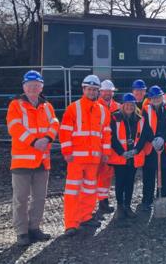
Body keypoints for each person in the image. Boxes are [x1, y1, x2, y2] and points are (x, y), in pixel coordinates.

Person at [6, 70, 59, 246]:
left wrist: (48, 138)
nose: (33, 88)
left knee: (39, 197)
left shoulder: (47, 106)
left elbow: (55, 123)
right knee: (20, 199)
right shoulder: (16, 105)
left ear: (41, 87)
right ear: (24, 87)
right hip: (22, 160)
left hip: (42, 160)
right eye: (30, 85)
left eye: (36, 85)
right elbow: (14, 127)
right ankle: (21, 232)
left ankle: (34, 228)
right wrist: (34, 141)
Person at [59, 75, 111, 236]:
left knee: (90, 190)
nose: (92, 92)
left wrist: (106, 153)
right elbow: (65, 132)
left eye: (95, 90)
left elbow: (106, 133)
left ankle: (86, 217)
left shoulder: (103, 111)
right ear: (84, 89)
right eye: (89, 89)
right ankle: (71, 224)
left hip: (94, 158)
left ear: (98, 92)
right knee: (73, 191)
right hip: (76, 158)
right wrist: (67, 152)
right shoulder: (73, 108)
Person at [109, 93, 152, 220]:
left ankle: (127, 206)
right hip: (120, 156)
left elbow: (144, 135)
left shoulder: (140, 119)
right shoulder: (115, 117)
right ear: (123, 105)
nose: (129, 107)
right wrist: (122, 152)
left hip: (133, 156)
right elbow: (112, 137)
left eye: (132, 105)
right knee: (120, 182)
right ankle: (120, 207)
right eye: (127, 104)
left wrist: (136, 150)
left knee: (130, 182)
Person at [140, 86, 166, 211]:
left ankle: (162, 199)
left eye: (158, 97)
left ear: (162, 97)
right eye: (153, 98)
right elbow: (144, 127)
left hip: (165, 148)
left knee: (165, 175)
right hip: (151, 148)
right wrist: (152, 139)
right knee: (148, 175)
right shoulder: (145, 109)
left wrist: (162, 138)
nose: (156, 99)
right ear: (150, 99)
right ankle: (147, 200)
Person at [96, 80, 121, 214]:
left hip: (112, 147)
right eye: (105, 91)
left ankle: (103, 201)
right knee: (94, 176)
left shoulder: (118, 106)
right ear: (100, 92)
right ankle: (91, 206)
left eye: (110, 91)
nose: (107, 94)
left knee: (106, 175)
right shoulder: (95, 106)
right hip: (98, 147)